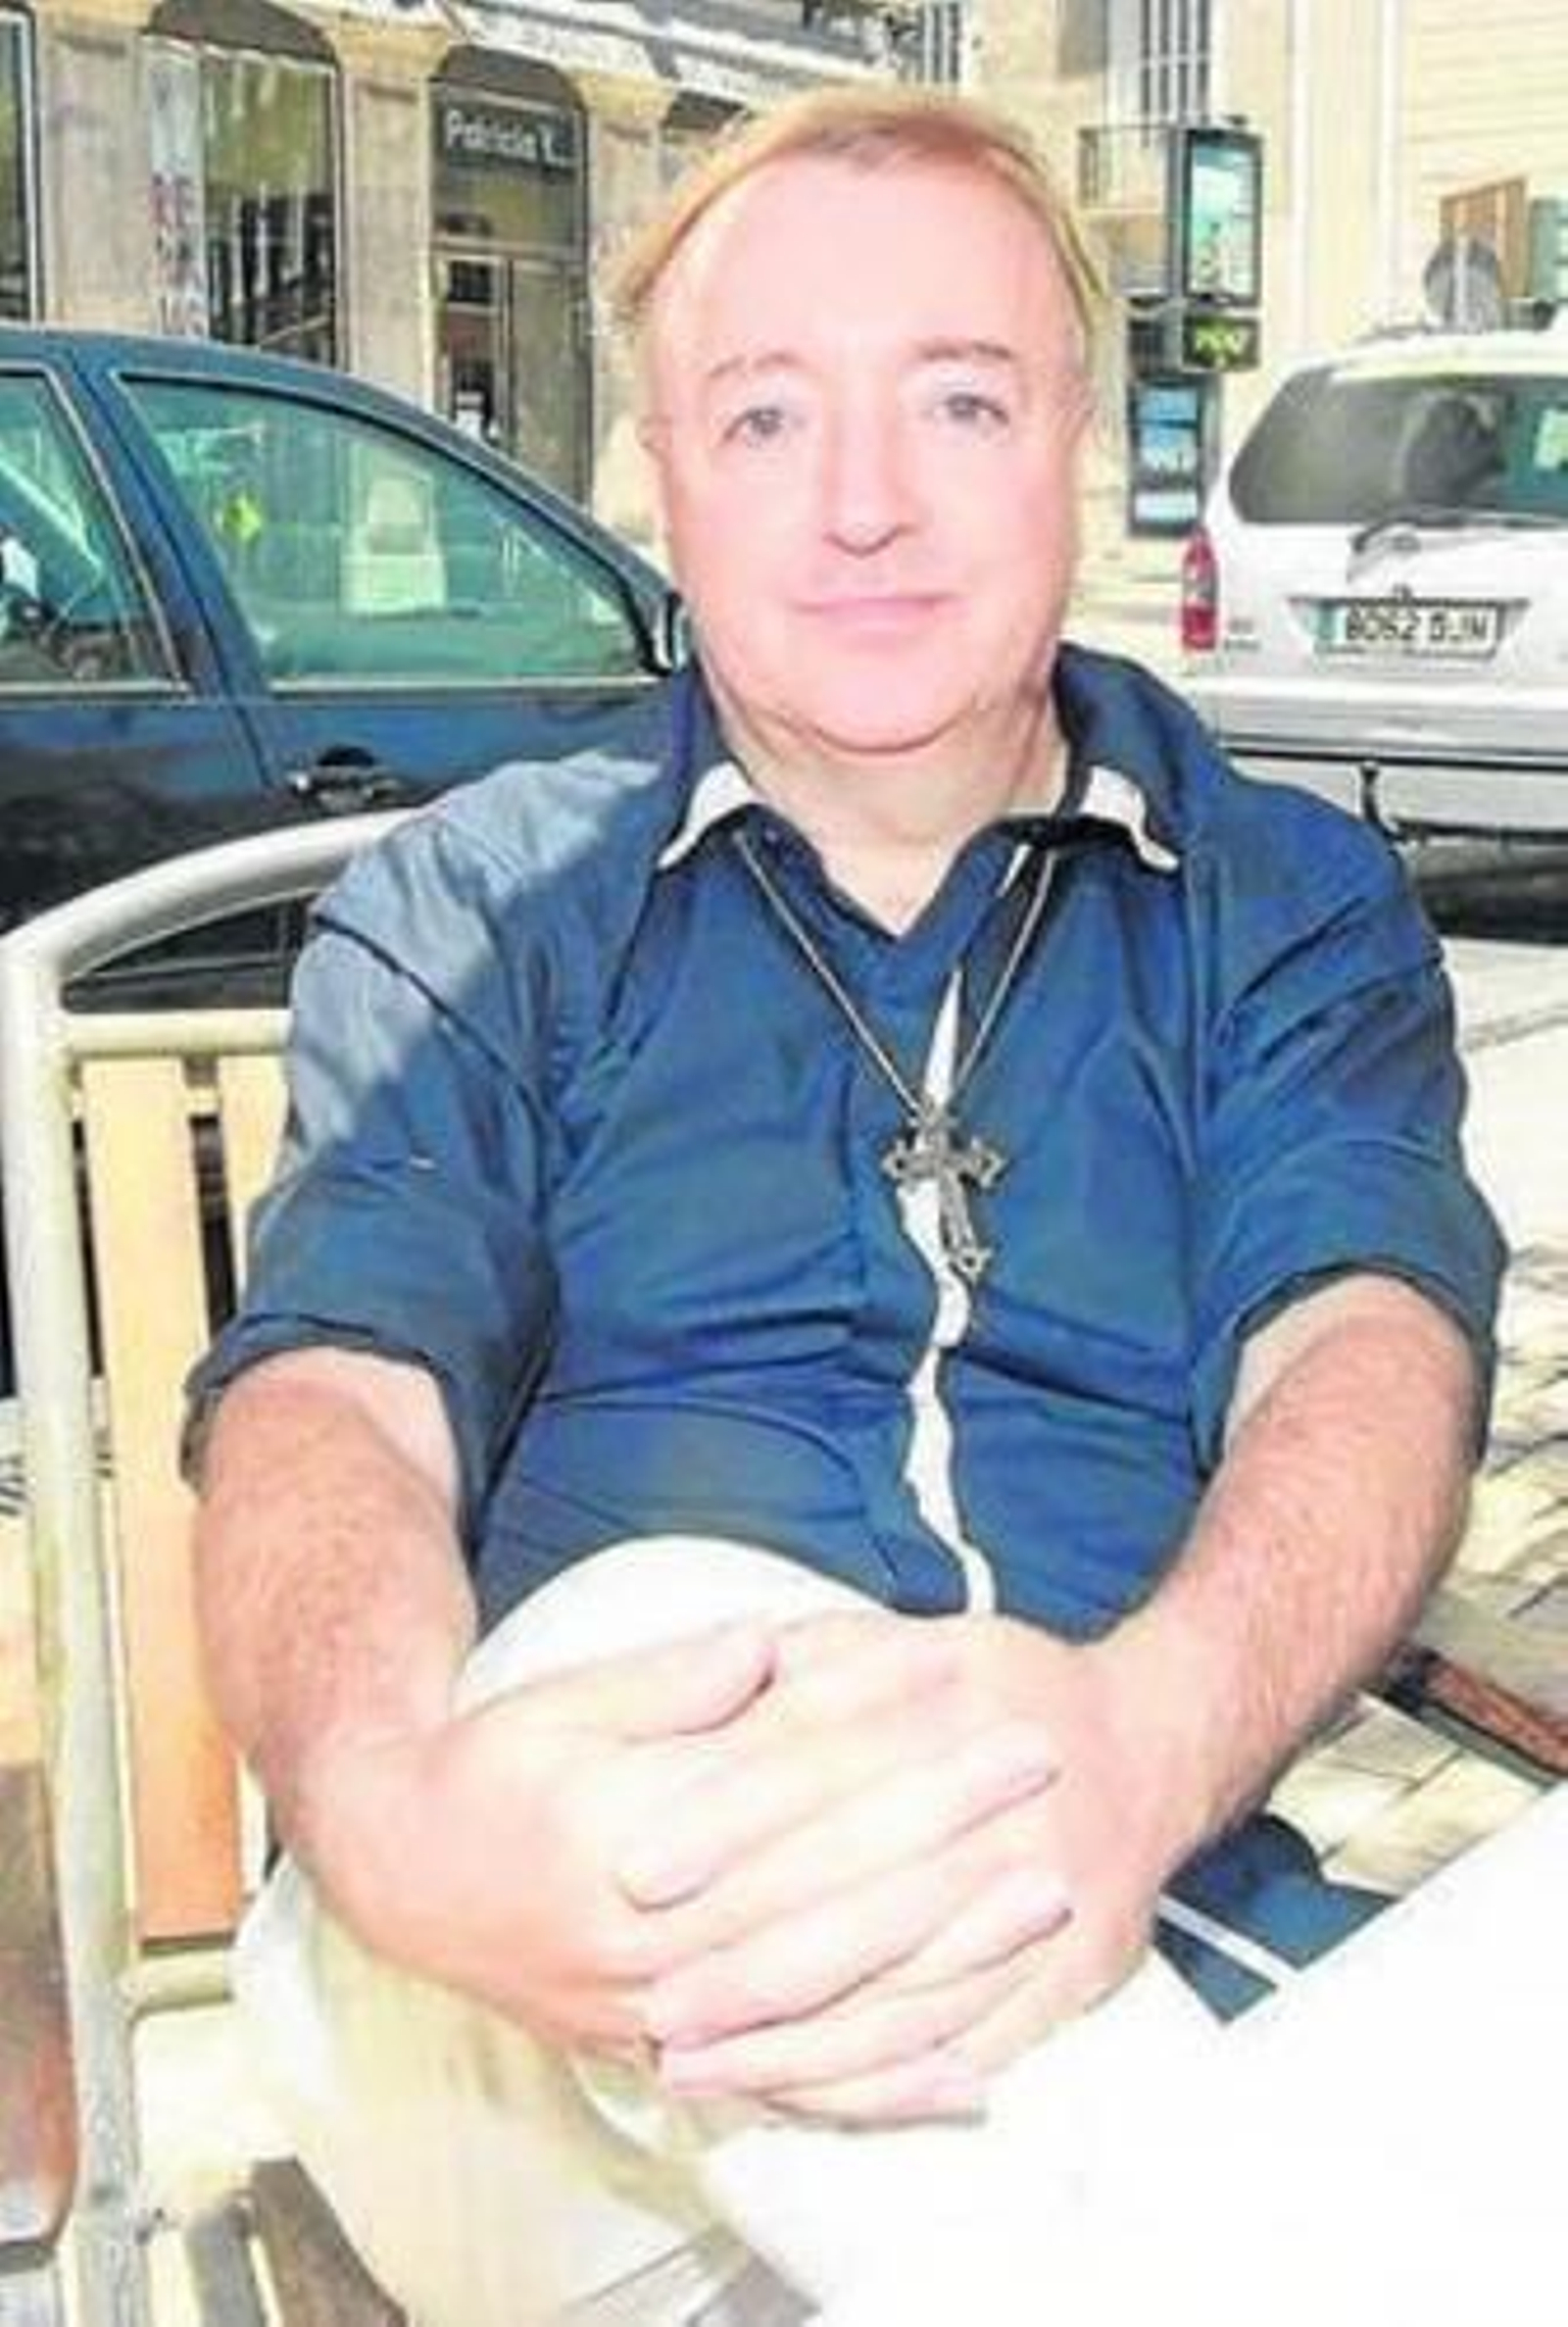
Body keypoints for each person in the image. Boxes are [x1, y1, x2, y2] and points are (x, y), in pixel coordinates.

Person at [189, 86, 1525, 2327]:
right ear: (661, 478)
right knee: (678, 1636)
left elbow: (1363, 1335)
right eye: (767, 413)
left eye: (960, 399)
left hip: (1150, 1961)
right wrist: (395, 1809)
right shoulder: (484, 914)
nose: (866, 501)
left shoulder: (1279, 904)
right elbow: (335, 1389)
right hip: (522, 1992)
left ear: (1079, 445)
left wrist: (1142, 1742)